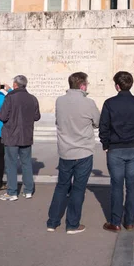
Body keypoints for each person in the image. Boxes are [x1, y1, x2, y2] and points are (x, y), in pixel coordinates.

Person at [47, 72, 100, 234]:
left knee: (61, 186)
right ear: (83, 85)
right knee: (78, 189)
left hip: (65, 151)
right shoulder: (89, 103)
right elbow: (97, 122)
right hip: (83, 151)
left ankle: (52, 222)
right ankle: (72, 224)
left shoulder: (60, 101)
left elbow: (58, 121)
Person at [100, 71, 134, 232]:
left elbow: (104, 126)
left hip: (115, 148)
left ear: (117, 86)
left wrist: (105, 144)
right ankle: (129, 221)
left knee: (117, 185)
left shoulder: (109, 103)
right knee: (132, 185)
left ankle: (115, 222)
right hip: (132, 148)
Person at [0, 75, 41, 201]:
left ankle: (12, 192)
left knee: (11, 164)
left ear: (15, 85)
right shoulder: (32, 98)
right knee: (26, 163)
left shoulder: (10, 97)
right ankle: (28, 190)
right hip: (26, 135)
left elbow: (3, 116)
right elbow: (37, 116)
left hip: (11, 135)